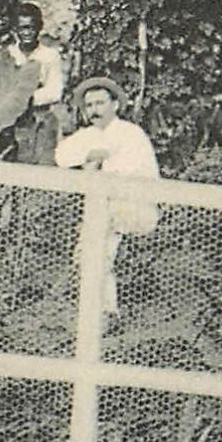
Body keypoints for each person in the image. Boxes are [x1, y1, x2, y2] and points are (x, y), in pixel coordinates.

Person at [54, 76, 161, 314]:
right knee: (92, 254)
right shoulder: (90, 134)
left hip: (135, 205)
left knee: (95, 250)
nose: (94, 110)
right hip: (105, 208)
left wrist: (96, 158)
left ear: (114, 105)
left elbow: (128, 173)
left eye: (100, 103)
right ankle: (103, 309)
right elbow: (62, 156)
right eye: (90, 106)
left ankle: (103, 311)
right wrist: (91, 154)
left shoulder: (130, 133)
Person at [0, 3, 64, 165]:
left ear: (39, 28)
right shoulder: (7, 53)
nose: (27, 33)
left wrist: (27, 98)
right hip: (8, 118)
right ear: (15, 30)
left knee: (38, 164)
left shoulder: (49, 56)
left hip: (38, 118)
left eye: (31, 28)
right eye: (22, 28)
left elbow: (55, 89)